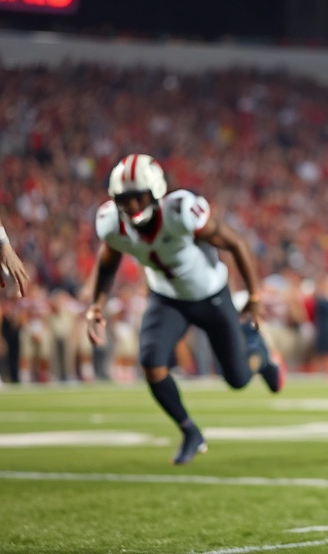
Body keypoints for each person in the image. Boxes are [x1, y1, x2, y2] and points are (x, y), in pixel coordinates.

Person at [85, 154, 283, 465]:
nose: (134, 206)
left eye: (139, 197)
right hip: (167, 298)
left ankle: (259, 356)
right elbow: (107, 263)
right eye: (125, 199)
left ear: (155, 192)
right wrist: (96, 304)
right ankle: (189, 431)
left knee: (237, 379)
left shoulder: (180, 211)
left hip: (211, 295)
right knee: (151, 363)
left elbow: (236, 243)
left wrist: (254, 297)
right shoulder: (111, 223)